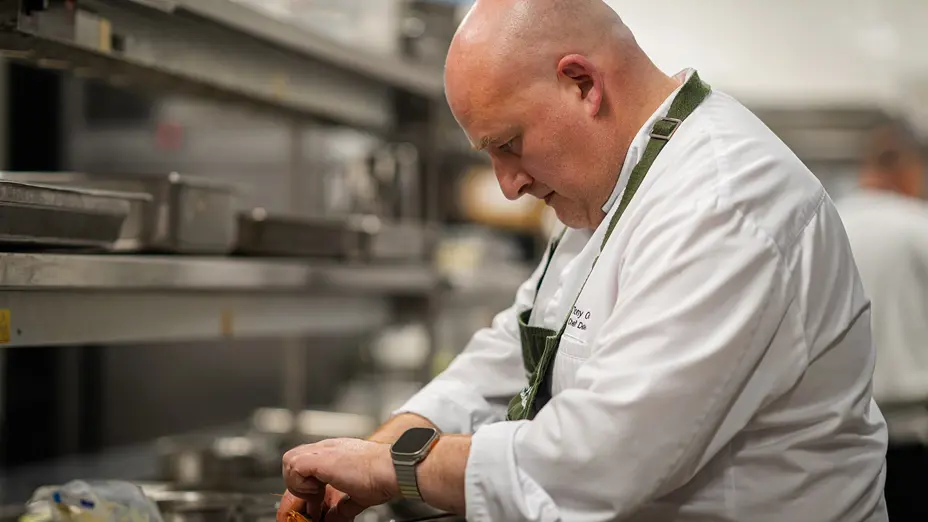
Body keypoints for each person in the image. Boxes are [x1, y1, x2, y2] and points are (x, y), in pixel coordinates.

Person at [279, 1, 889, 520]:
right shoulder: (616, 190)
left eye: (508, 144)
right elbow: (515, 352)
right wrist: (382, 443)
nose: (507, 186)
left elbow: (602, 458)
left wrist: (397, 467)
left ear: (583, 83)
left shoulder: (721, 200)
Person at [837, 119, 928, 522]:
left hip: (842, 432)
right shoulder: (918, 225)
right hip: (914, 430)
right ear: (910, 169)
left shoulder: (827, 222)